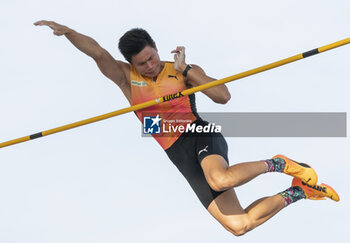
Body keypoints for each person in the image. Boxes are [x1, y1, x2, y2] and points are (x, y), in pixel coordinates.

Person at [34, 20, 339, 236]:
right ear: (131, 64)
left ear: (156, 48)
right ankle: (299, 192)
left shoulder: (180, 71)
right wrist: (70, 32)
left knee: (220, 179)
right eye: (142, 64)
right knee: (239, 226)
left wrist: (188, 70)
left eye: (152, 58)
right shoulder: (126, 79)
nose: (151, 66)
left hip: (199, 134)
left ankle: (281, 163)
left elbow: (224, 97)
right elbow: (98, 52)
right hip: (175, 152)